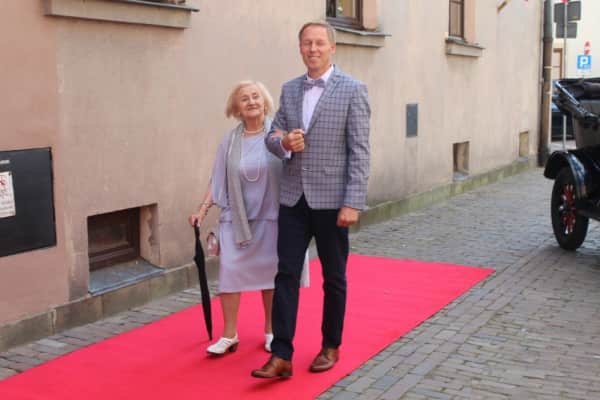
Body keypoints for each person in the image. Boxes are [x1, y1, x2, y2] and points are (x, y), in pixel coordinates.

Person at [251, 21, 370, 378]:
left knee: (333, 277)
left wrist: (353, 201)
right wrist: (284, 143)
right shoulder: (289, 89)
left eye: (319, 43)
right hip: (293, 199)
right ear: (300, 48)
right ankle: (281, 355)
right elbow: (272, 136)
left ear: (332, 47)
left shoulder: (353, 89)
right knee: (286, 274)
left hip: (333, 201)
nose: (312, 49)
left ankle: (330, 345)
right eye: (306, 43)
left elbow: (360, 150)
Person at [188, 80, 281, 355]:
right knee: (229, 273)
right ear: (236, 108)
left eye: (255, 96)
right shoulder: (229, 141)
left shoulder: (277, 135)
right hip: (235, 218)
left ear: (264, 102)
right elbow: (217, 179)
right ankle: (229, 334)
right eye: (244, 98)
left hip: (271, 217)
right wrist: (202, 210)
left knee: (270, 277)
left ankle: (271, 331)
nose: (251, 102)